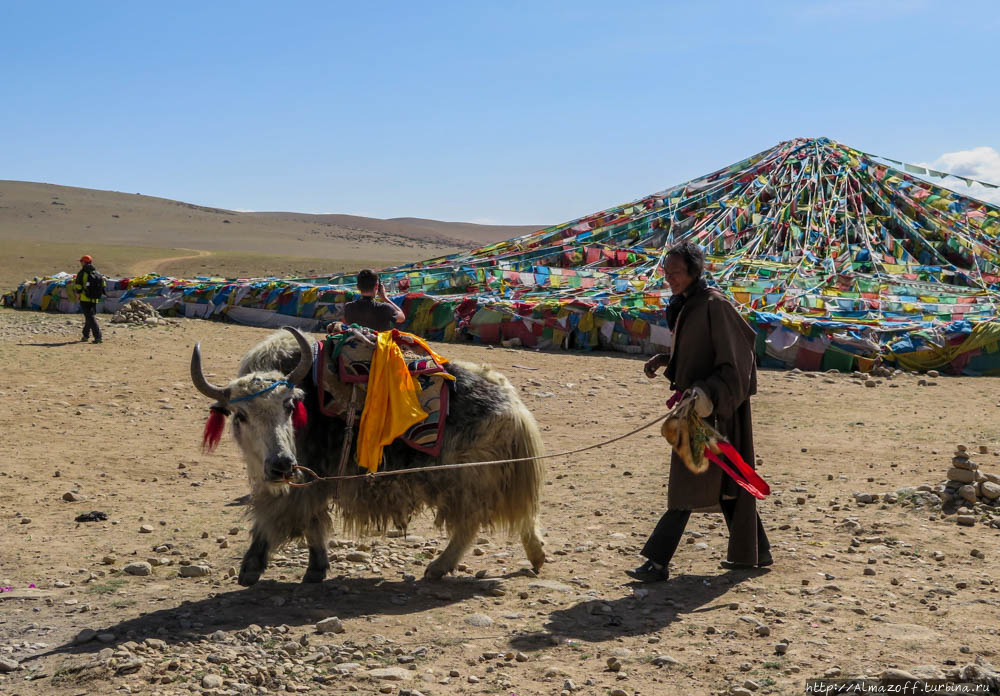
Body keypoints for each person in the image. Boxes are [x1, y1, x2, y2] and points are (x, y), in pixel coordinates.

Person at [628, 241, 771, 582]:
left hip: (717, 412)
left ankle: (657, 561)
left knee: (688, 482)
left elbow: (739, 364)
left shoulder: (715, 305)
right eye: (666, 272)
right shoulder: (688, 304)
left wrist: (707, 393)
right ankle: (757, 550)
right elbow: (698, 352)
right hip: (696, 407)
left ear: (694, 271)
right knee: (728, 481)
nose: (669, 279)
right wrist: (667, 361)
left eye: (675, 272)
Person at [337, 269, 405, 332]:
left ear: (357, 287)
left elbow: (345, 322)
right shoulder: (385, 308)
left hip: (357, 342)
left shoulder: (348, 307)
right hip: (379, 344)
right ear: (376, 286)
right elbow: (402, 318)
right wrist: (385, 298)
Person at [74, 254, 104, 344]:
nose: (80, 263)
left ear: (84, 262)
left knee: (90, 317)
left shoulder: (82, 272)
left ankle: (98, 337)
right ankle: (85, 335)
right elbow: (103, 285)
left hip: (85, 298)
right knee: (89, 317)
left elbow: (78, 285)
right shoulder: (97, 273)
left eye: (81, 261)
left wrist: (78, 294)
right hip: (95, 299)